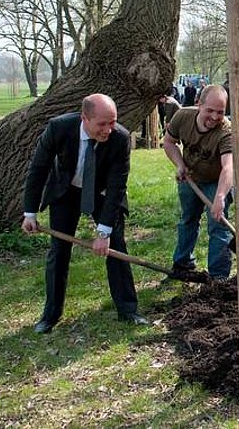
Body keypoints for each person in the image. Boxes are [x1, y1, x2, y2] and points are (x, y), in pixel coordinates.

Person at [22, 94, 146, 333]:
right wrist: (30, 213)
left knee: (116, 247)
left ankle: (128, 309)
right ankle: (50, 315)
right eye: (102, 124)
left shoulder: (120, 138)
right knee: (58, 251)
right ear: (84, 118)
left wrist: (104, 232)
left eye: (112, 122)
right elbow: (38, 169)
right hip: (65, 191)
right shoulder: (59, 128)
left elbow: (117, 186)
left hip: (102, 193)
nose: (108, 129)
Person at [162, 84, 234, 279]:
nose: (214, 117)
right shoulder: (183, 116)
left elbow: (228, 167)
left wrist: (220, 196)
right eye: (209, 110)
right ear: (198, 104)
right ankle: (183, 264)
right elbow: (168, 142)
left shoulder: (226, 131)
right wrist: (179, 164)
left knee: (218, 225)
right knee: (188, 220)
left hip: (215, 182)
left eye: (220, 112)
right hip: (190, 178)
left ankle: (218, 277)